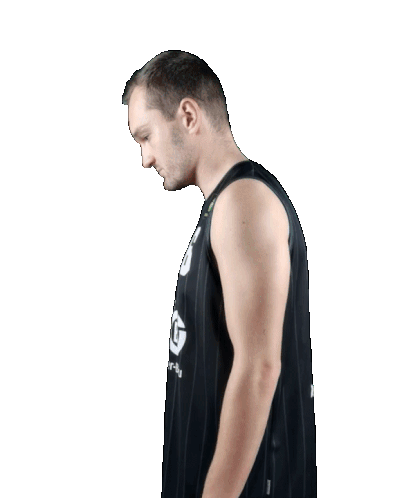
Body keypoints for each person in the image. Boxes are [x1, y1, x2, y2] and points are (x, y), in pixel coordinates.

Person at [122, 50, 316, 498]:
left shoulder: (244, 202)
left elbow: (259, 369)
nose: (145, 159)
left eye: (146, 136)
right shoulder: (222, 206)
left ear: (188, 115)